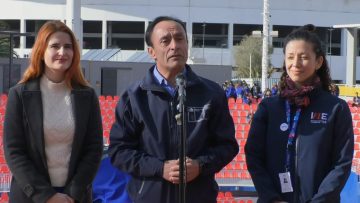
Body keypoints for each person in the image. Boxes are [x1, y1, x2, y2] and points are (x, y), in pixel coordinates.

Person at [108, 16, 239, 203]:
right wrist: (159, 168)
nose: (174, 46)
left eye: (180, 39)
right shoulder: (134, 97)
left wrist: (200, 165)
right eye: (165, 41)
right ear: (151, 51)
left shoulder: (212, 93)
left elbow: (227, 146)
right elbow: (119, 152)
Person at [245, 24, 354, 203]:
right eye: (290, 57)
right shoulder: (268, 108)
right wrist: (272, 199)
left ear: (318, 62)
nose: (295, 64)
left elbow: (341, 163)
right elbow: (254, 156)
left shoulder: (336, 108)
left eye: (303, 57)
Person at [3, 21, 103, 203]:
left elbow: (93, 149)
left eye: (68, 47)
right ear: (41, 51)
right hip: (31, 197)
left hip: (75, 197)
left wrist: (72, 193)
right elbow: (14, 151)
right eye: (55, 46)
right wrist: (48, 196)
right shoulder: (19, 95)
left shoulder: (87, 96)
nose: (62, 52)